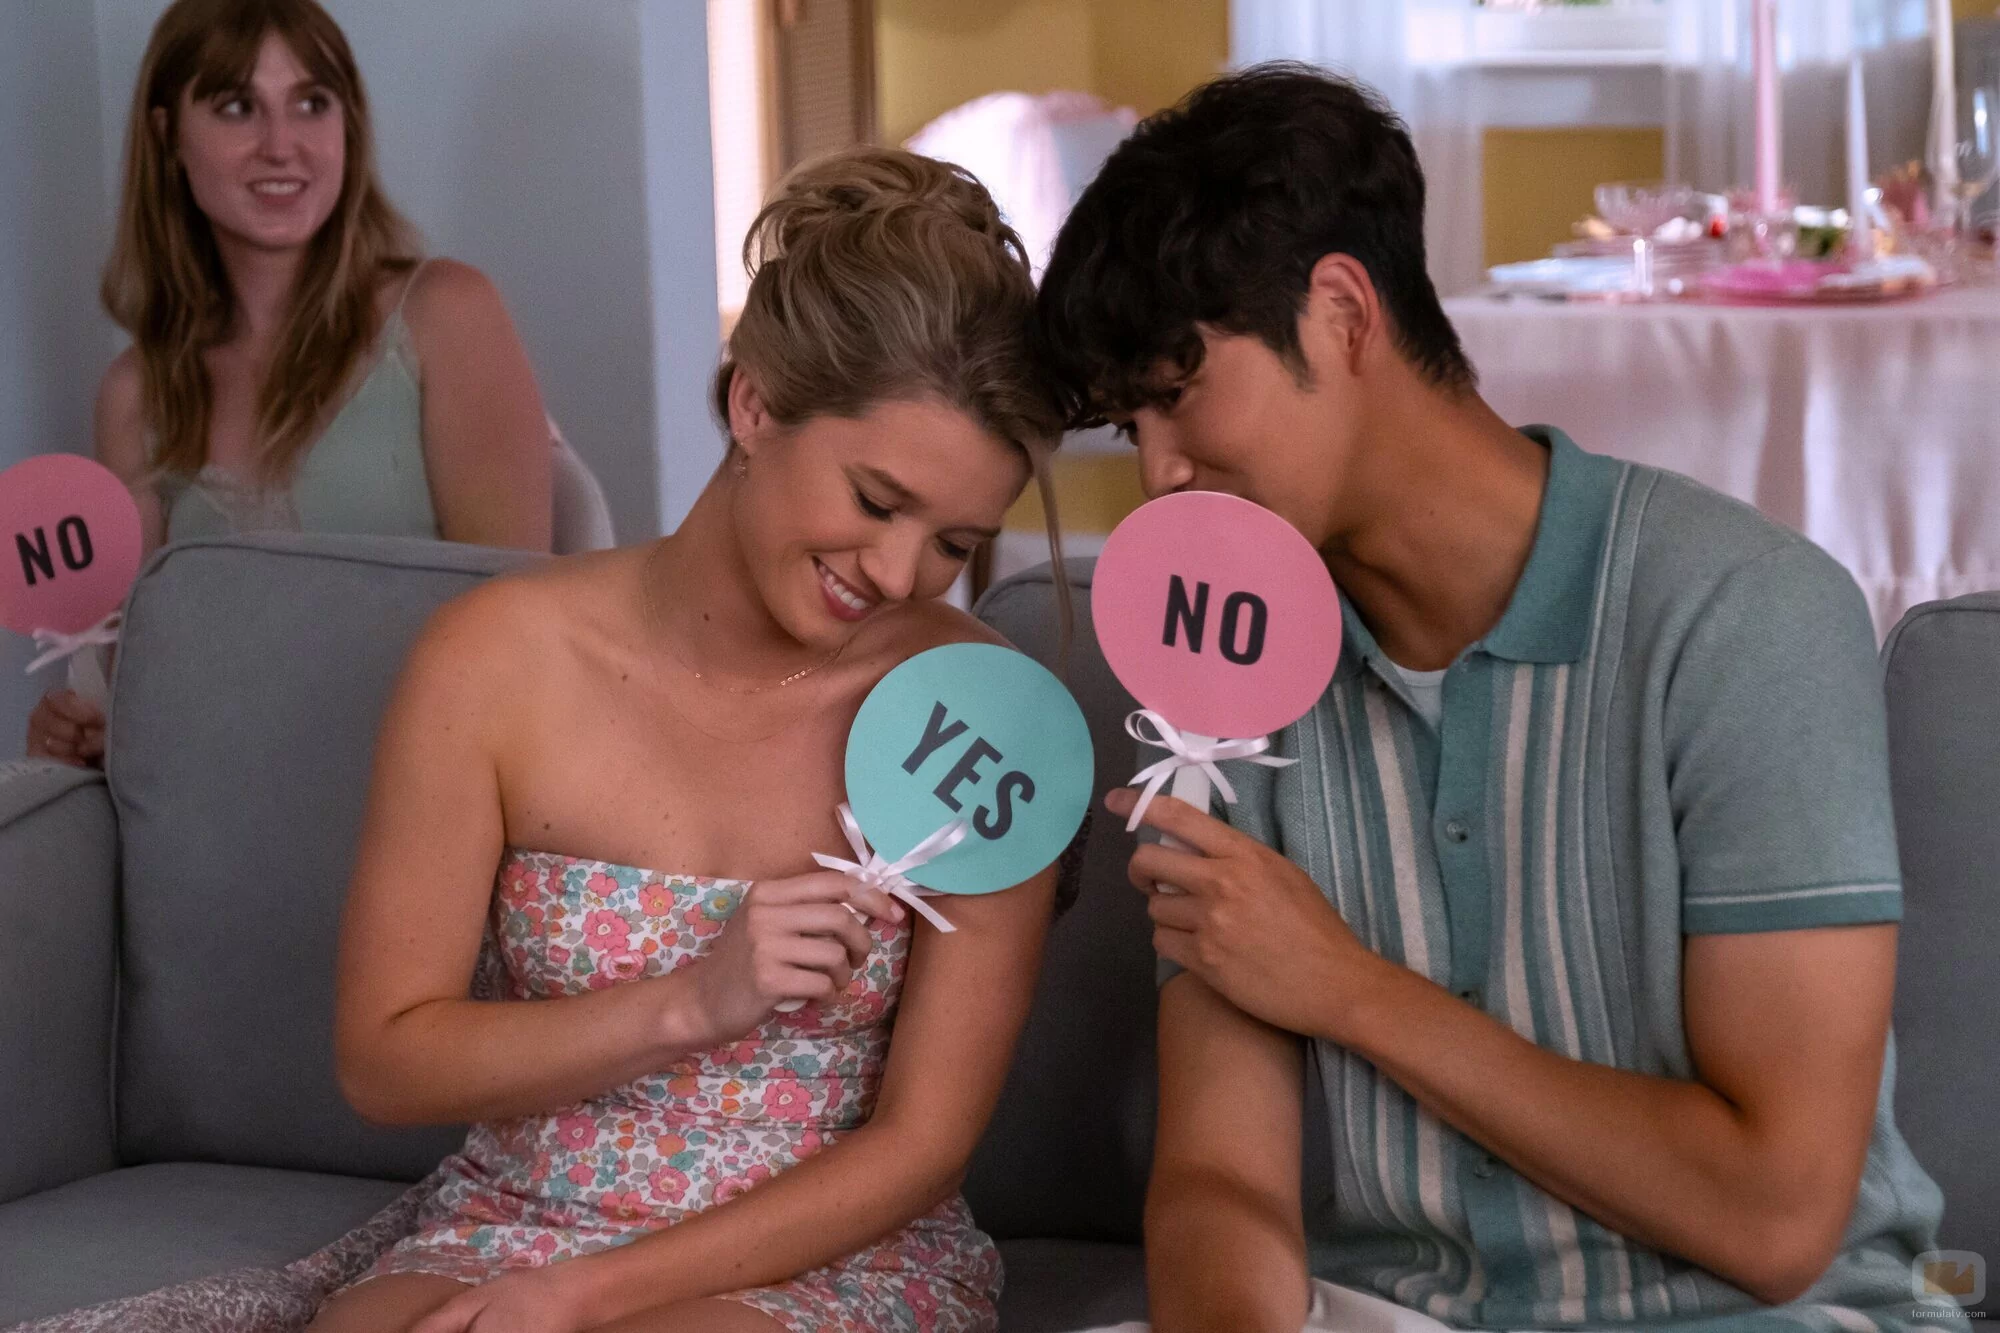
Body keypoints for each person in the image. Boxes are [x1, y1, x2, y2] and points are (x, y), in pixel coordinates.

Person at [1036, 64, 1968, 1333]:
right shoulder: (1223, 666)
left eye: (1176, 393)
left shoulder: (1741, 616)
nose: (1156, 472)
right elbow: (1218, 1183)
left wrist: (1346, 987)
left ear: (1340, 312)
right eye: (1127, 424)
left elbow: (1775, 1219)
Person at [307, 147, 1069, 1333]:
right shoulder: (492, 660)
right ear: (753, 404)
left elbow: (922, 1146)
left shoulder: (982, 713)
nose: (897, 572)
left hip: (826, 1251)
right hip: (516, 1217)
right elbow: (384, 1059)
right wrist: (692, 1001)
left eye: (953, 542)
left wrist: (576, 1299)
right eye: (876, 501)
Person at [24, 0, 553, 767]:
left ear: (348, 126)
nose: (282, 145)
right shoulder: (134, 395)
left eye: (311, 103)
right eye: (238, 107)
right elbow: (135, 679)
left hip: (439, 777)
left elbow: (523, 625)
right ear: (167, 136)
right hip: (218, 795)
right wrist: (88, 732)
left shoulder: (447, 313)